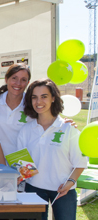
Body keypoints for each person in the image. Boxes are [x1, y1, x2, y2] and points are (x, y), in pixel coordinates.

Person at [16, 78, 87, 220]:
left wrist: (70, 183)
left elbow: (79, 163)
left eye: (44, 96)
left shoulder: (68, 129)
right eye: (34, 97)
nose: (38, 102)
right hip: (33, 188)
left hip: (63, 190)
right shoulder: (25, 130)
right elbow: (23, 165)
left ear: (53, 98)